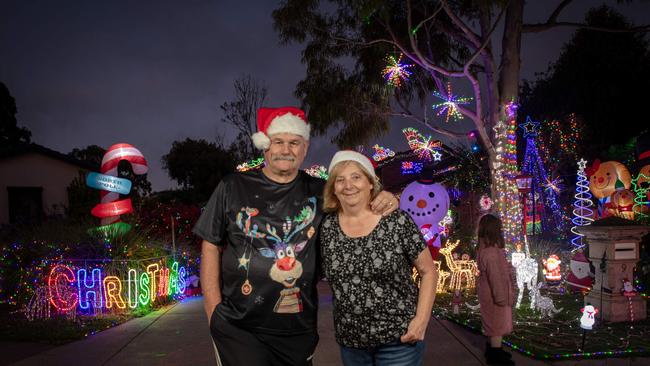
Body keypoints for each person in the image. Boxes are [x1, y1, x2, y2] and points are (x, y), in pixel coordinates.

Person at [192, 107, 398, 366]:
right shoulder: (232, 186)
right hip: (239, 326)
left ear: (305, 147)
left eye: (294, 143)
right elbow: (210, 244)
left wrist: (383, 197)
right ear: (266, 146)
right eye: (278, 142)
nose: (286, 150)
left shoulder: (321, 192)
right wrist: (213, 311)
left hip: (298, 330)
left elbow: (357, 203)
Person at [319, 150, 438, 366]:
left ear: (371, 183)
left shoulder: (396, 220)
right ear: (333, 188)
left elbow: (428, 271)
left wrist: (421, 321)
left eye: (356, 177)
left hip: (399, 340)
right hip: (351, 343)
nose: (348, 185)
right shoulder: (326, 227)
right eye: (340, 179)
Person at [476, 214, 516, 366]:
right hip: (495, 294)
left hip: (490, 291)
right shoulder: (491, 253)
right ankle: (495, 354)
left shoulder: (488, 249)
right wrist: (502, 297)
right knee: (496, 325)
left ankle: (494, 348)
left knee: (494, 324)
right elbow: (496, 278)